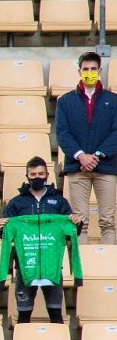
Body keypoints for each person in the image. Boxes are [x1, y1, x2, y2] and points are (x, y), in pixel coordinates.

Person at [0, 156, 84, 325]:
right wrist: (0, 228)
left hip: (51, 265)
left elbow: (71, 232)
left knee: (56, 313)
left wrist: (76, 224)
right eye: (33, 174)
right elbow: (5, 234)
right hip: (25, 264)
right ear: (27, 176)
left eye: (41, 174)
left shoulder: (59, 202)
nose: (37, 177)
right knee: (23, 314)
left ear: (47, 175)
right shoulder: (16, 203)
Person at [54, 51, 117, 245]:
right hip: (76, 168)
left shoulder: (113, 100)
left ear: (100, 70)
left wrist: (97, 155)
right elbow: (62, 133)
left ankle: (109, 268)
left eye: (93, 69)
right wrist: (81, 156)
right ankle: (82, 269)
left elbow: (116, 132)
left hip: (106, 167)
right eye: (85, 69)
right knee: (79, 221)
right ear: (79, 71)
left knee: (108, 220)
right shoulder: (65, 101)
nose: (89, 73)